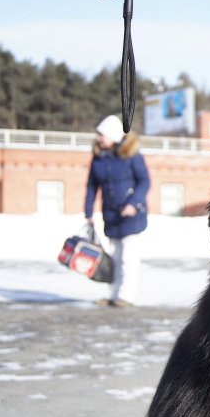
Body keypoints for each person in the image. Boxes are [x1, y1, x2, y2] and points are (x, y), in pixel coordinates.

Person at [85, 115, 150, 308]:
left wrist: (133, 203)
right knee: (114, 258)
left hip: (132, 216)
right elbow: (91, 186)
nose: (98, 138)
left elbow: (145, 181)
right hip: (111, 216)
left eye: (101, 135)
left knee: (128, 258)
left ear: (113, 135)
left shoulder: (132, 156)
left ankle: (126, 296)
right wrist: (88, 212)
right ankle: (112, 294)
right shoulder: (98, 159)